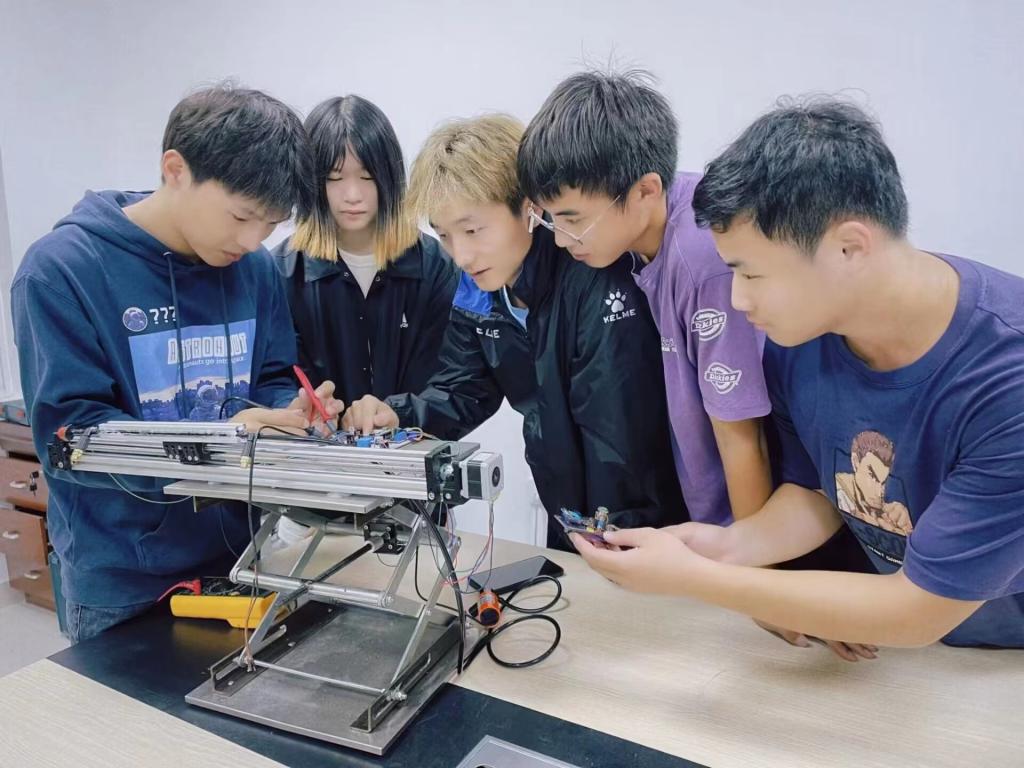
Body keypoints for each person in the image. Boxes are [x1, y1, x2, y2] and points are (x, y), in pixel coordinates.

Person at [574, 97, 1024, 649]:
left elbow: (917, 611)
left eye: (751, 275)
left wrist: (699, 578)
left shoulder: (1006, 379)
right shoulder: (804, 338)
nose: (738, 300)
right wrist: (724, 547)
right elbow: (818, 492)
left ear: (849, 247)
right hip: (922, 650)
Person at [12, 84, 342, 642]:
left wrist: (289, 411)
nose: (253, 240)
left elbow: (268, 376)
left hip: (240, 558)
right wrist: (225, 437)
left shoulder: (255, 269)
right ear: (176, 170)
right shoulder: (63, 271)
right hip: (122, 581)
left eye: (270, 223)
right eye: (242, 216)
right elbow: (72, 443)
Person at [343, 114, 685, 546]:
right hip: (570, 516)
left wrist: (613, 538)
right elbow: (461, 390)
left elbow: (619, 438)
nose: (461, 255)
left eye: (472, 230)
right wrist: (397, 416)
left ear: (529, 208)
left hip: (640, 524)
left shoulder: (593, 276)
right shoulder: (477, 287)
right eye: (445, 236)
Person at [274, 95, 458, 405]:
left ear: (389, 177)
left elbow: (453, 382)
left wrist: (399, 414)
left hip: (413, 435)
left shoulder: (435, 266)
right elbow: (276, 381)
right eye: (334, 178)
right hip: (318, 436)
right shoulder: (282, 273)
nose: (352, 195)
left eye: (367, 176)